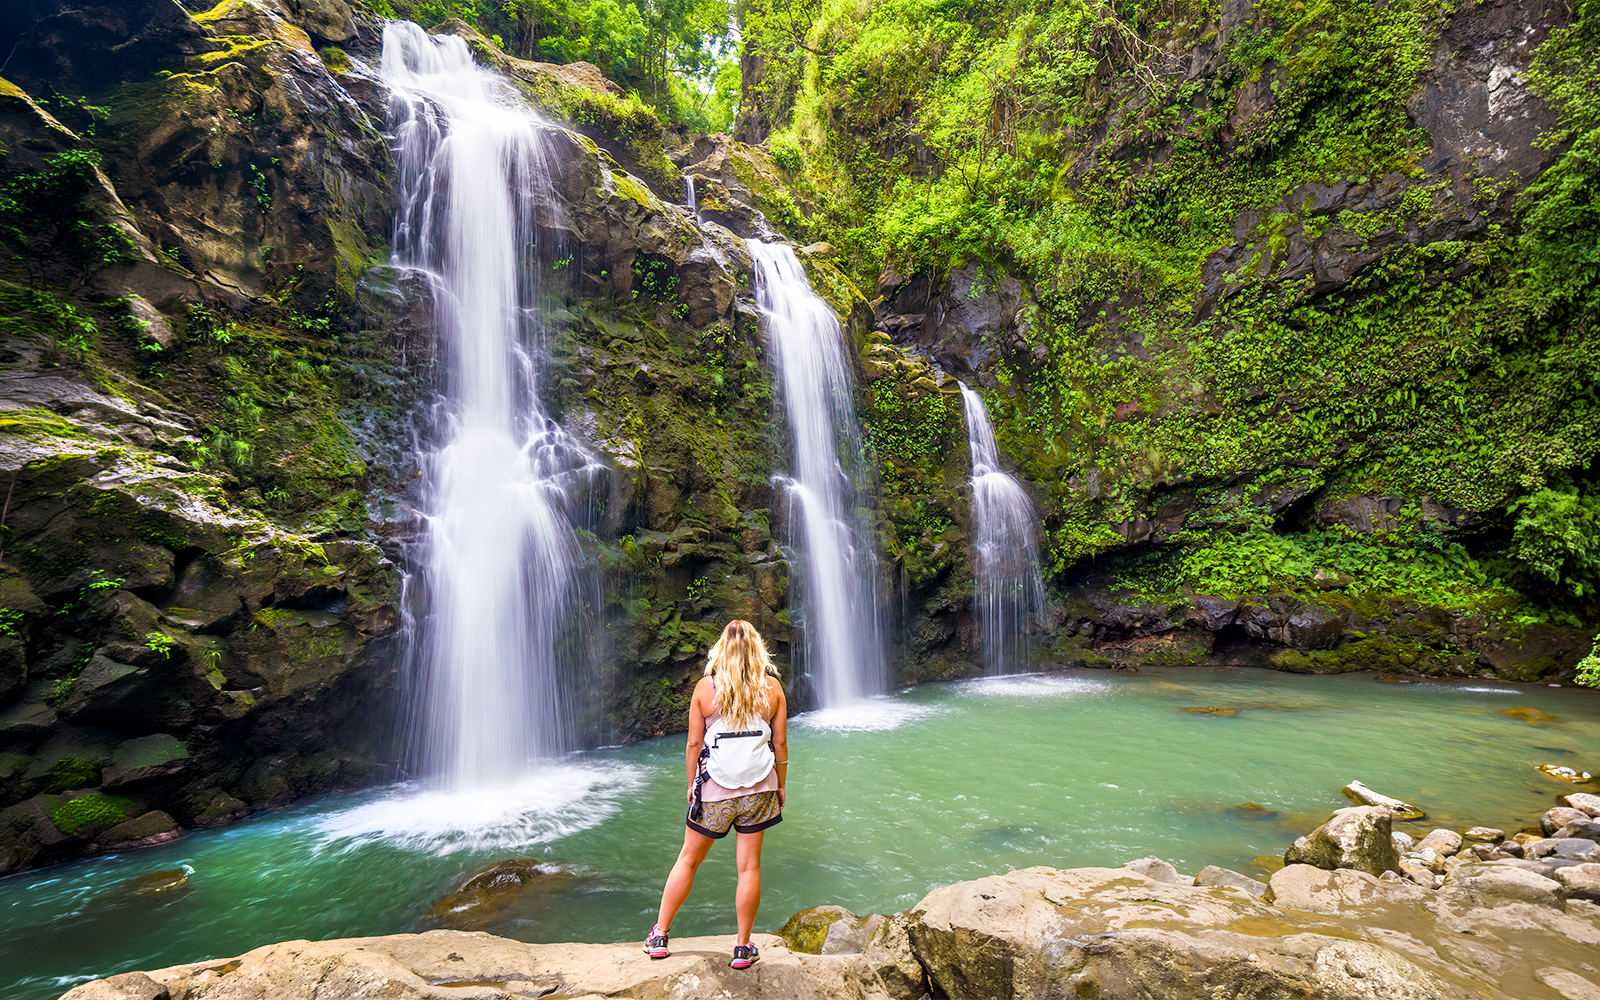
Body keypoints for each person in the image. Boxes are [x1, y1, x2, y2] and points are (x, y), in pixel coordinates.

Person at [644, 619, 788, 970]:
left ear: (721, 649)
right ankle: (742, 947)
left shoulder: (705, 690)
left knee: (688, 860)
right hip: (760, 789)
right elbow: (780, 744)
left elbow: (694, 742)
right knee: (749, 866)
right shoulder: (772, 690)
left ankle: (660, 936)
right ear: (757, 650)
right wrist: (781, 785)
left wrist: (692, 782)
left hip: (714, 790)